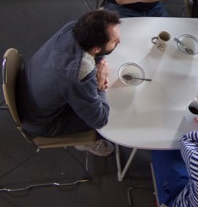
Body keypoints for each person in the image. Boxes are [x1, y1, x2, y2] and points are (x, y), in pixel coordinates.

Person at [16, 9, 122, 156]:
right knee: (114, 116)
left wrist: (97, 64)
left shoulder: (74, 28)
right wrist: (100, 84)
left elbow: (92, 53)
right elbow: (99, 119)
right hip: (42, 123)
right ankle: (84, 143)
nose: (120, 42)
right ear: (97, 48)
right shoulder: (80, 73)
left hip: (26, 89)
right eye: (115, 42)